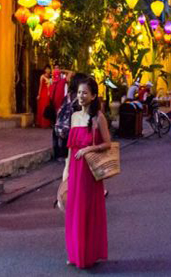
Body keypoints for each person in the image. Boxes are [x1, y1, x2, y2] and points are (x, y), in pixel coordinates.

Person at [64, 78, 110, 269]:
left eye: (85, 93)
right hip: (74, 170)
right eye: (79, 93)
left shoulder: (98, 117)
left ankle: (87, 254)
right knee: (73, 211)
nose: (81, 96)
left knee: (86, 211)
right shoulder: (74, 116)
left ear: (93, 96)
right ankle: (74, 253)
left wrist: (88, 150)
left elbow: (108, 143)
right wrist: (66, 169)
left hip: (89, 172)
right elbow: (70, 148)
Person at [54, 73, 88, 162]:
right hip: (72, 131)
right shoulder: (80, 98)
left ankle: (61, 155)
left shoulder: (67, 96)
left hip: (61, 128)